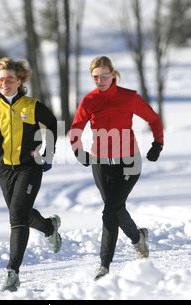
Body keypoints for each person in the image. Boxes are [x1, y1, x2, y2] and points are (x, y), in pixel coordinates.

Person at [69, 56, 164, 280]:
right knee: (116, 209)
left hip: (129, 161)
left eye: (104, 76)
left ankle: (104, 266)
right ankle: (138, 238)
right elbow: (75, 128)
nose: (100, 80)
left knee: (109, 212)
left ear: (113, 74)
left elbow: (154, 119)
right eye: (95, 77)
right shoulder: (89, 100)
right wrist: (78, 150)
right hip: (101, 163)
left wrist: (157, 143)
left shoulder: (128, 97)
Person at [0, 57, 61, 292]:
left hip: (29, 167)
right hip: (4, 169)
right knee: (20, 213)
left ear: (19, 81)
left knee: (16, 216)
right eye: (1, 79)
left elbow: (53, 124)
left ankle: (12, 273)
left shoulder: (32, 106)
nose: (4, 83)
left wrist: (48, 153)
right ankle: (49, 227)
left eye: (10, 79)